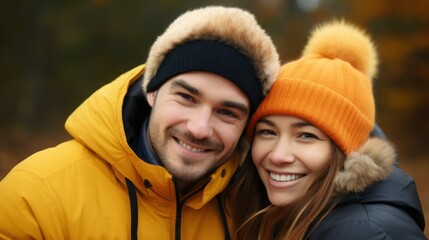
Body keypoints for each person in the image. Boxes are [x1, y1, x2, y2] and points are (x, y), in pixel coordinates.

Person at [0, 6, 280, 239]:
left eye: (228, 113)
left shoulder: (251, 211)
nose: (199, 128)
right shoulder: (38, 193)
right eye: (186, 97)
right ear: (151, 90)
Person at [228, 20, 426, 239]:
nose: (278, 155)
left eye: (306, 135)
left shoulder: (366, 232)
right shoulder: (286, 216)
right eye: (268, 132)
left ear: (348, 152)